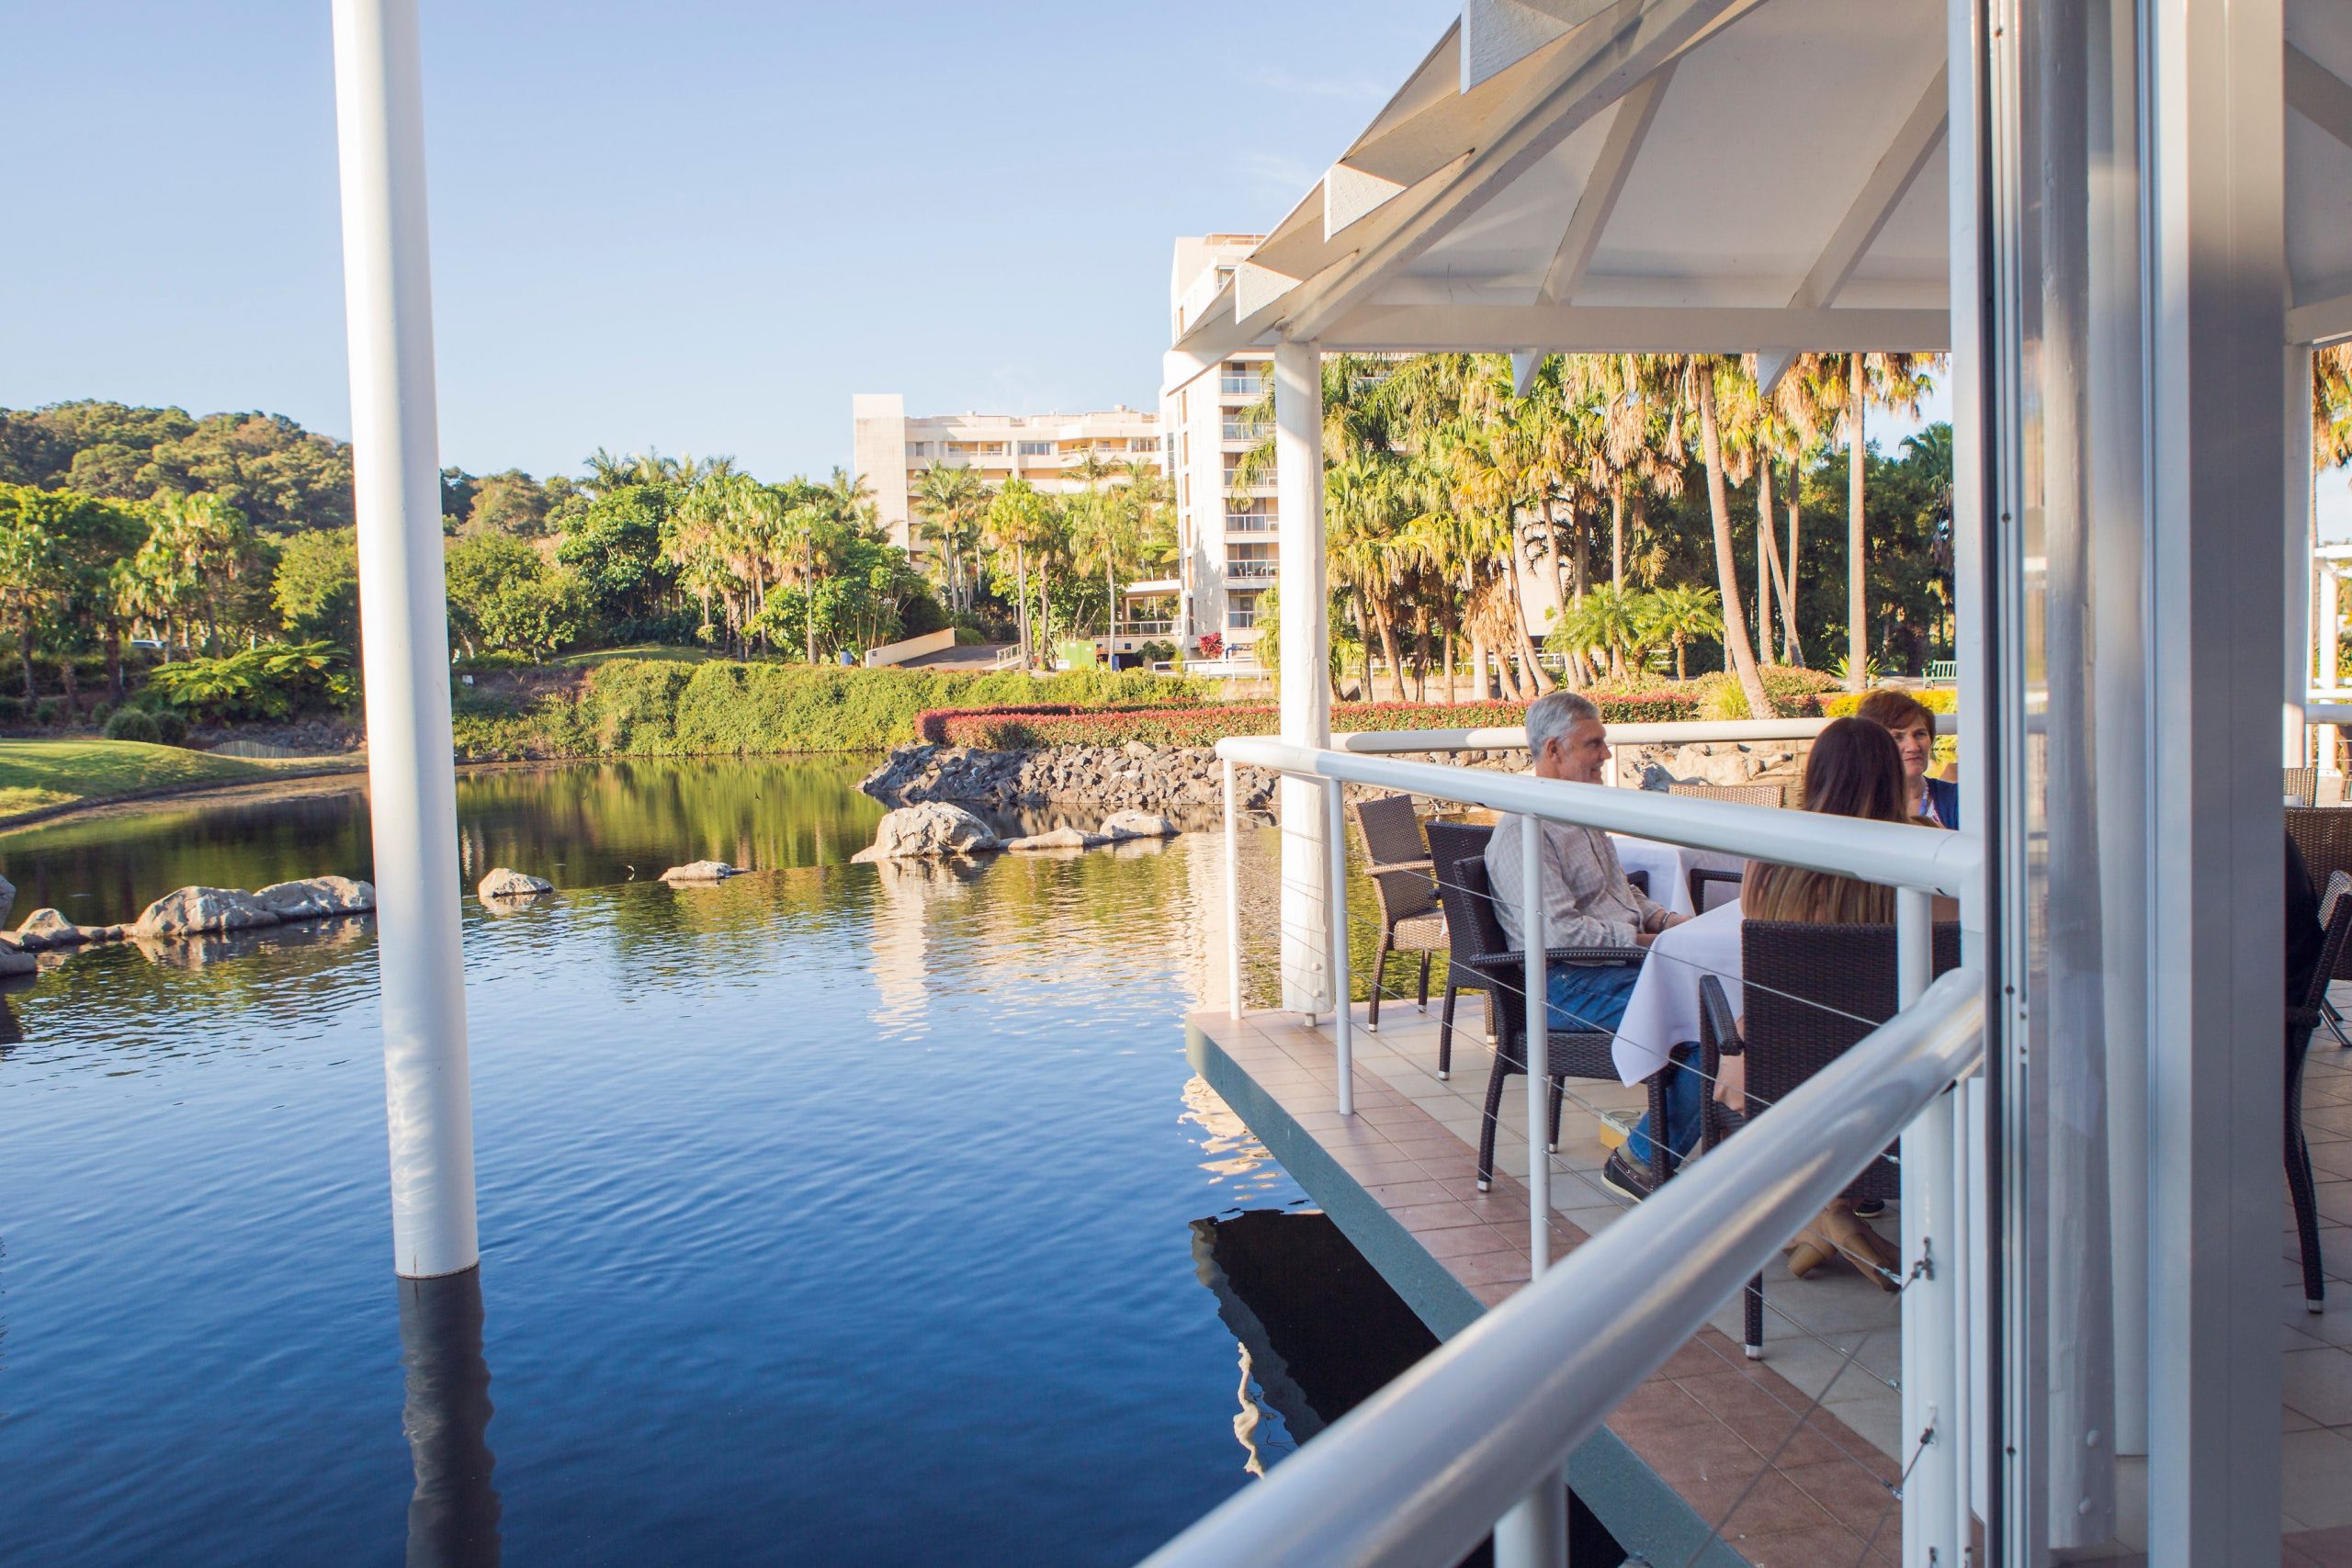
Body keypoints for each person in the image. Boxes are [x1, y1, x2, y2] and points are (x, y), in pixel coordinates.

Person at [1726, 716, 1926, 1286]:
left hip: (1790, 1073)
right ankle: (1834, 1221)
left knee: (1731, 1028)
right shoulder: (1928, 854)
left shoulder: (1768, 858)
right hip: (1897, 1075)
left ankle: (1825, 1221)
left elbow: (1760, 951)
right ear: (1891, 776)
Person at [1483, 691, 1691, 1201]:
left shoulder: (1582, 814)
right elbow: (1558, 936)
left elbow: (1621, 894)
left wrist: (1669, 921)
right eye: (1593, 744)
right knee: (1706, 1029)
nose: (1606, 755)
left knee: (1732, 1003)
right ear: (1553, 751)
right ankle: (1640, 1160)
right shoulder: (1523, 832)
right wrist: (1643, 942)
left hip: (1612, 968)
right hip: (1565, 985)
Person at [1853, 687, 1958, 829]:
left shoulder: (1959, 800)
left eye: (1920, 734)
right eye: (1897, 737)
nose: (1913, 747)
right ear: (1872, 745)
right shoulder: (1852, 805)